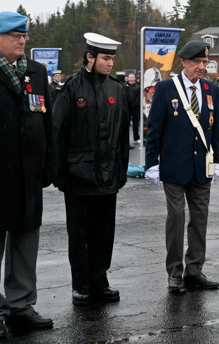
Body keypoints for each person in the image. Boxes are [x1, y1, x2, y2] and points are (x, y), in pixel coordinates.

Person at [52, 33, 129, 306]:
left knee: (103, 233)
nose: (110, 63)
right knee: (80, 234)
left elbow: (122, 135)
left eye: (112, 58)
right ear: (90, 57)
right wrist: (59, 173)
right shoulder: (71, 88)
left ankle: (100, 281)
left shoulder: (117, 89)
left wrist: (122, 171)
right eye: (106, 58)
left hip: (108, 176)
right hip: (77, 176)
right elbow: (58, 132)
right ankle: (81, 285)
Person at [145, 41, 219, 293]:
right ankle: (175, 272)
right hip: (173, 167)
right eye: (197, 63)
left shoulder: (211, 89)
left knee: (200, 219)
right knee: (176, 219)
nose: (202, 67)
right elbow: (154, 129)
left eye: (205, 63)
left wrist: (218, 159)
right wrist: (150, 163)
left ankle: (195, 269)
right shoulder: (166, 88)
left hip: (201, 167)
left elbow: (215, 129)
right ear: (184, 62)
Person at [0, 11, 55, 335]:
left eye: (24, 36)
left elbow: (45, 123)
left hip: (27, 177)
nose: (22, 41)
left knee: (25, 244)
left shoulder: (36, 72)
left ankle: (20, 306)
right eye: (14, 36)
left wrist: (47, 165)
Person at [128, 73, 141, 143]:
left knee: (136, 123)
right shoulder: (126, 87)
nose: (132, 79)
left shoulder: (138, 87)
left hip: (136, 108)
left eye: (133, 77)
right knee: (126, 124)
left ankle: (136, 137)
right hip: (127, 108)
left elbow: (138, 98)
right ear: (128, 78)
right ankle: (126, 138)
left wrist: (134, 104)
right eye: (130, 77)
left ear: (135, 78)